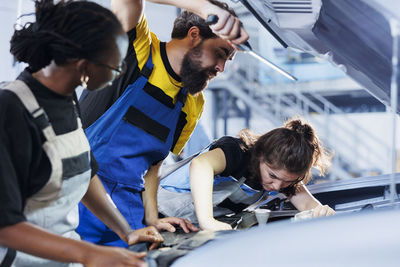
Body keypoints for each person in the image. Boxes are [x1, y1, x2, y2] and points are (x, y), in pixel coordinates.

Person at [0, 1, 163, 266]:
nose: (118, 74)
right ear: (85, 67)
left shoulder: (66, 99)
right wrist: (89, 254)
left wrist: (127, 232)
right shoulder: (11, 109)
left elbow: (84, 173)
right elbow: (4, 226)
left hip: (64, 257)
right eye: (115, 67)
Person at [77, 0, 249, 247]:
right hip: (79, 196)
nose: (221, 68)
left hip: (128, 213)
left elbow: (153, 166)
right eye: (220, 53)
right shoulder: (139, 48)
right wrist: (204, 8)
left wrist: (151, 217)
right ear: (194, 35)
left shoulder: (192, 103)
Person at [159, 118, 336, 231]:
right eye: (272, 176)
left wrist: (325, 215)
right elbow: (200, 165)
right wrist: (207, 221)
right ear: (260, 155)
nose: (276, 187)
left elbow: (307, 204)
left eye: (286, 182)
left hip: (186, 225)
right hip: (156, 208)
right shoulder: (235, 152)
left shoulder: (283, 181)